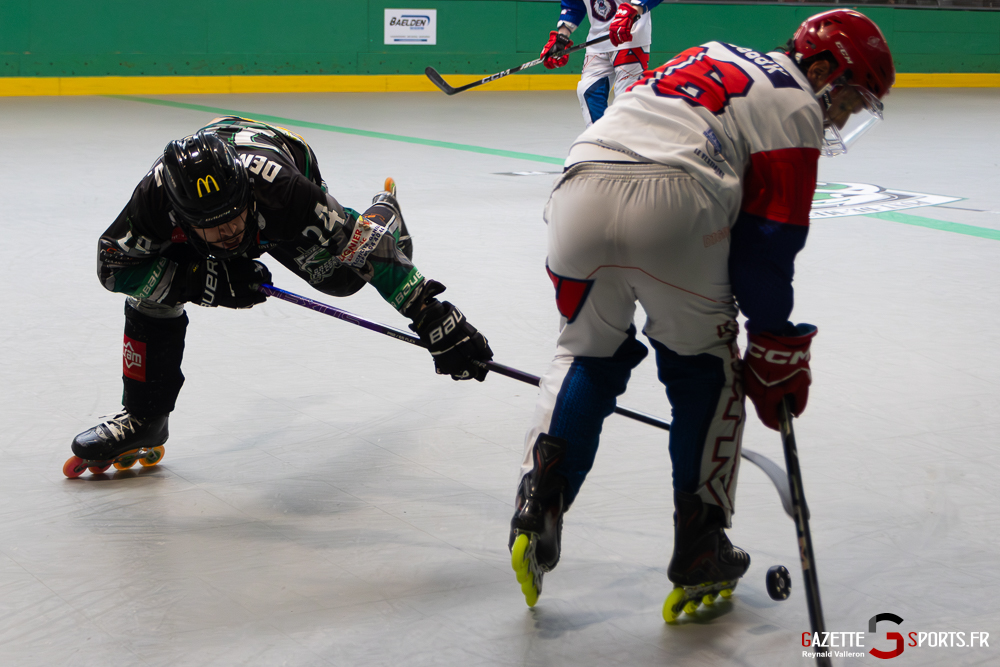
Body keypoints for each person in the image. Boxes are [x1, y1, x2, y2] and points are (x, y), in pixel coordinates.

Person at [510, 9, 895, 613]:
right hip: (676, 200)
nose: (841, 117)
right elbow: (768, 248)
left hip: (577, 187)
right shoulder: (795, 105)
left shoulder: (712, 52)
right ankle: (700, 545)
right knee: (704, 370)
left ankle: (539, 503)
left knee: (585, 352)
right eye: (847, 99)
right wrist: (774, 346)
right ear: (821, 68)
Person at [65, 116, 493, 476]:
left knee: (342, 280)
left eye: (234, 216)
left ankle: (386, 213)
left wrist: (428, 311)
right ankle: (145, 418)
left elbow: (354, 241)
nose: (229, 231)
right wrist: (201, 282)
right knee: (151, 292)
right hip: (222, 207)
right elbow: (112, 267)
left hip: (287, 166)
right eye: (212, 226)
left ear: (245, 196)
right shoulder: (154, 200)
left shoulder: (282, 189)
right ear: (179, 214)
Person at [540, 0, 663, 126]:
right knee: (587, 91)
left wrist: (635, 9)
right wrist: (562, 37)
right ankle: (600, 140)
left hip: (630, 38)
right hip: (597, 42)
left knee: (627, 100)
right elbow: (574, 5)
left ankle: (627, 142)